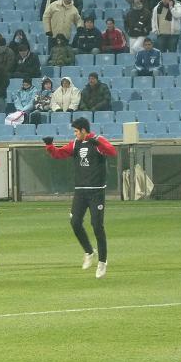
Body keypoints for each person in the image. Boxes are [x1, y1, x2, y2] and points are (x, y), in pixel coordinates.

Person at [42, 117, 116, 279]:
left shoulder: (97, 140)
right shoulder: (75, 144)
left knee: (97, 226)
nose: (75, 134)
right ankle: (89, 251)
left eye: (76, 131)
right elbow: (59, 154)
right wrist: (49, 146)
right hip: (81, 191)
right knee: (75, 222)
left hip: (96, 192)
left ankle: (102, 262)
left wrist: (98, 144)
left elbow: (112, 152)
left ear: (83, 130)